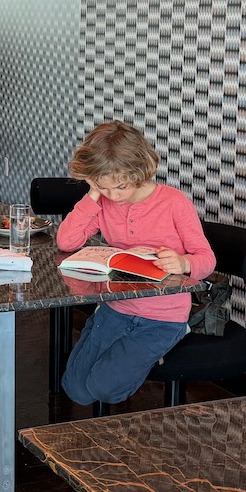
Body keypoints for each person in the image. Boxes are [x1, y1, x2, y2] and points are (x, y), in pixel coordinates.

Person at [57, 121, 214, 407]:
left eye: (120, 186)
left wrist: (183, 262)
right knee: (75, 390)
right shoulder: (103, 200)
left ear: (141, 171)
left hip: (162, 319)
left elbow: (207, 261)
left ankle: (166, 342)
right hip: (116, 307)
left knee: (103, 388)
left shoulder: (174, 203)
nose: (114, 196)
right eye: (104, 187)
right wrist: (93, 194)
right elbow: (67, 241)